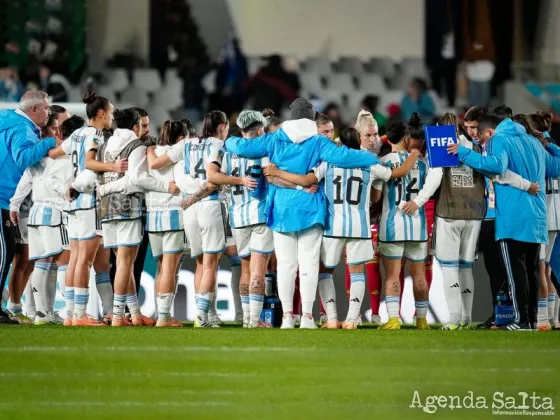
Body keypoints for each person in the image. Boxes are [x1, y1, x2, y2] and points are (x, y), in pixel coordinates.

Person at [225, 98, 380, 329]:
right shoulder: (318, 142)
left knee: (286, 266)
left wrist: (228, 141)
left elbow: (241, 148)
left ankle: (288, 316)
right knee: (308, 265)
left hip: (281, 210)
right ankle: (307, 317)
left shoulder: (275, 138)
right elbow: (344, 157)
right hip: (311, 210)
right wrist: (370, 157)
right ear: (310, 118)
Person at [265, 128, 418, 329]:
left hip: (333, 227)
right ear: (358, 142)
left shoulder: (327, 162)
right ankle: (352, 320)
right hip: (359, 227)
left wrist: (277, 172)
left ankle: (331, 318)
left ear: (340, 144)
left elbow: (305, 181)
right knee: (357, 272)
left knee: (324, 272)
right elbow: (399, 172)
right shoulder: (368, 161)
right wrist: (414, 154)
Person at [449, 111, 560, 330]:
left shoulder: (499, 139)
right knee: (531, 271)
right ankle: (532, 319)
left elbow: (496, 166)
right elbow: (555, 168)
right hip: (537, 217)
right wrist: (549, 142)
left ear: (489, 129)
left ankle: (520, 320)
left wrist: (462, 152)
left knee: (515, 272)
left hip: (512, 216)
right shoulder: (534, 141)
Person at [147, 111, 228, 328]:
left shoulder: (186, 144)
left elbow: (155, 163)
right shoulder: (219, 145)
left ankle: (204, 315)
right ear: (222, 127)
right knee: (212, 263)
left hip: (189, 210)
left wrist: (148, 148)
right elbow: (212, 180)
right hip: (209, 203)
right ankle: (202, 316)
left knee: (201, 262)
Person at [97, 108, 169, 327]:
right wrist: (167, 187)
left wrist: (104, 189)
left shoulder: (103, 146)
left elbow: (98, 176)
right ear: (135, 126)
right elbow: (137, 179)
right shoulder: (137, 146)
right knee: (125, 263)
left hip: (106, 208)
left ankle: (135, 313)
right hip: (128, 207)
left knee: (122, 263)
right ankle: (118, 315)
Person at [58, 92, 122, 326]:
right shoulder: (96, 135)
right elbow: (90, 166)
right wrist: (113, 166)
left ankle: (72, 314)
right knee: (84, 260)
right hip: (87, 200)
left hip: (73, 202)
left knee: (75, 258)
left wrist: (69, 184)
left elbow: (57, 154)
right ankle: (81, 315)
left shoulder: (76, 134)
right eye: (111, 112)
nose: (113, 117)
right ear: (101, 113)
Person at [373, 120, 438, 330]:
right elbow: (432, 189)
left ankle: (393, 319)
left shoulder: (382, 162)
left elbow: (375, 198)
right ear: (406, 138)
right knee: (419, 274)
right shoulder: (422, 163)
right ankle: (421, 319)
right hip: (418, 226)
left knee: (392, 274)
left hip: (391, 227)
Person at [9, 110, 73, 324]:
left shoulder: (38, 157)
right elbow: (55, 183)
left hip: (35, 213)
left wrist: (14, 204)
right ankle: (72, 313)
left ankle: (41, 312)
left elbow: (25, 181)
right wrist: (67, 194)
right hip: (52, 213)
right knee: (61, 261)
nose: (56, 133)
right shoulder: (58, 158)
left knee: (41, 263)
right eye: (54, 129)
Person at [210, 110, 273, 328]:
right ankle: (255, 320)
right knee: (258, 269)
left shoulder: (229, 153)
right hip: (259, 215)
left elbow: (218, 178)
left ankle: (246, 319)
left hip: (237, 217)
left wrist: (236, 181)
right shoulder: (264, 152)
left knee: (245, 269)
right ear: (258, 130)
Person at [0, 90, 56, 324]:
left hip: (5, 197)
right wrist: (52, 142)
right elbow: (23, 158)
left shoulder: (8, 121)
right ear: (34, 110)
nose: (49, 112)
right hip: (2, 196)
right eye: (46, 108)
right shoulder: (22, 128)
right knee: (6, 252)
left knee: (9, 251)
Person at [145, 121, 186, 327]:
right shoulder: (178, 152)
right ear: (181, 139)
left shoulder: (151, 151)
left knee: (161, 268)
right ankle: (163, 317)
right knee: (170, 267)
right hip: (172, 213)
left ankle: (160, 313)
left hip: (153, 214)